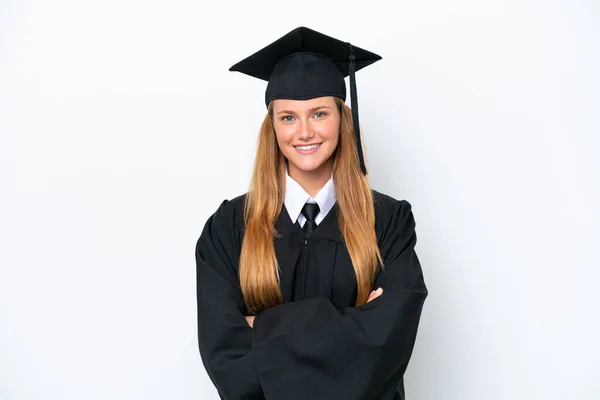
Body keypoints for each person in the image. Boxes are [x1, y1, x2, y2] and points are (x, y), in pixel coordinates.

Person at [195, 26, 428, 400]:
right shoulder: (229, 228)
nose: (304, 132)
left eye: (319, 113)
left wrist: (261, 328)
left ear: (342, 119)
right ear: (271, 126)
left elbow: (388, 345)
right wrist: (352, 325)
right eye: (288, 117)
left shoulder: (388, 222)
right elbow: (225, 356)